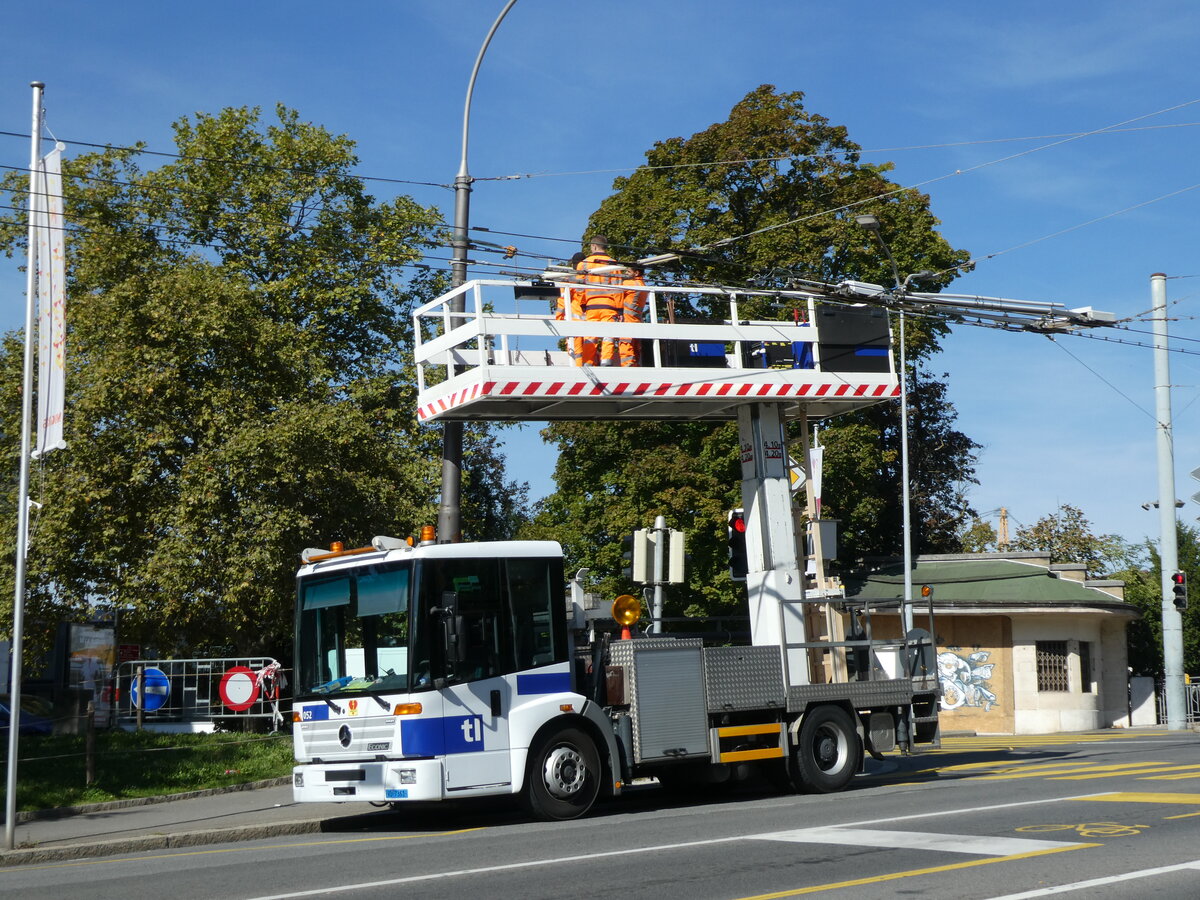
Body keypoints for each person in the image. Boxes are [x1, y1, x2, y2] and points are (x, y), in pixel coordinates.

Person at [573, 236, 626, 366]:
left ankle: (587, 362)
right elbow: (618, 288)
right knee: (608, 335)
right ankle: (606, 362)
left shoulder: (583, 264)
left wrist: (583, 305)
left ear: (594, 246)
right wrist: (620, 310)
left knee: (590, 337)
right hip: (609, 306)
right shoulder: (613, 264)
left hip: (591, 306)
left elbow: (580, 288)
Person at [555, 251, 587, 365]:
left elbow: (563, 301)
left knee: (576, 352)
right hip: (591, 319)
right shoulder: (591, 277)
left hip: (575, 321)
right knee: (589, 349)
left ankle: (579, 374)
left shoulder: (569, 279)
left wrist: (558, 320)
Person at [619, 263, 647, 367]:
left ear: (636, 273)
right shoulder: (642, 285)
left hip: (628, 322)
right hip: (637, 322)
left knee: (626, 346)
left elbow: (612, 290)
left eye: (628, 271)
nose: (625, 273)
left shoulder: (630, 284)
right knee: (636, 350)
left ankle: (628, 368)